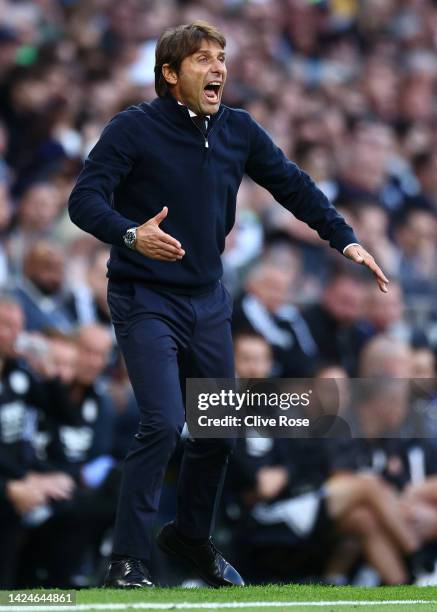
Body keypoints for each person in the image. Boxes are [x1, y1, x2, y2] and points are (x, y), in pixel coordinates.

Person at [68, 21, 389, 589]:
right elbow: (83, 200)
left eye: (221, 57)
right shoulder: (132, 129)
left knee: (218, 429)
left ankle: (189, 538)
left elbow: (291, 184)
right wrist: (128, 235)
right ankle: (128, 561)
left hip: (208, 300)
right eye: (201, 59)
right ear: (170, 74)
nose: (217, 68)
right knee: (163, 423)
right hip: (145, 297)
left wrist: (345, 238)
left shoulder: (238, 129)